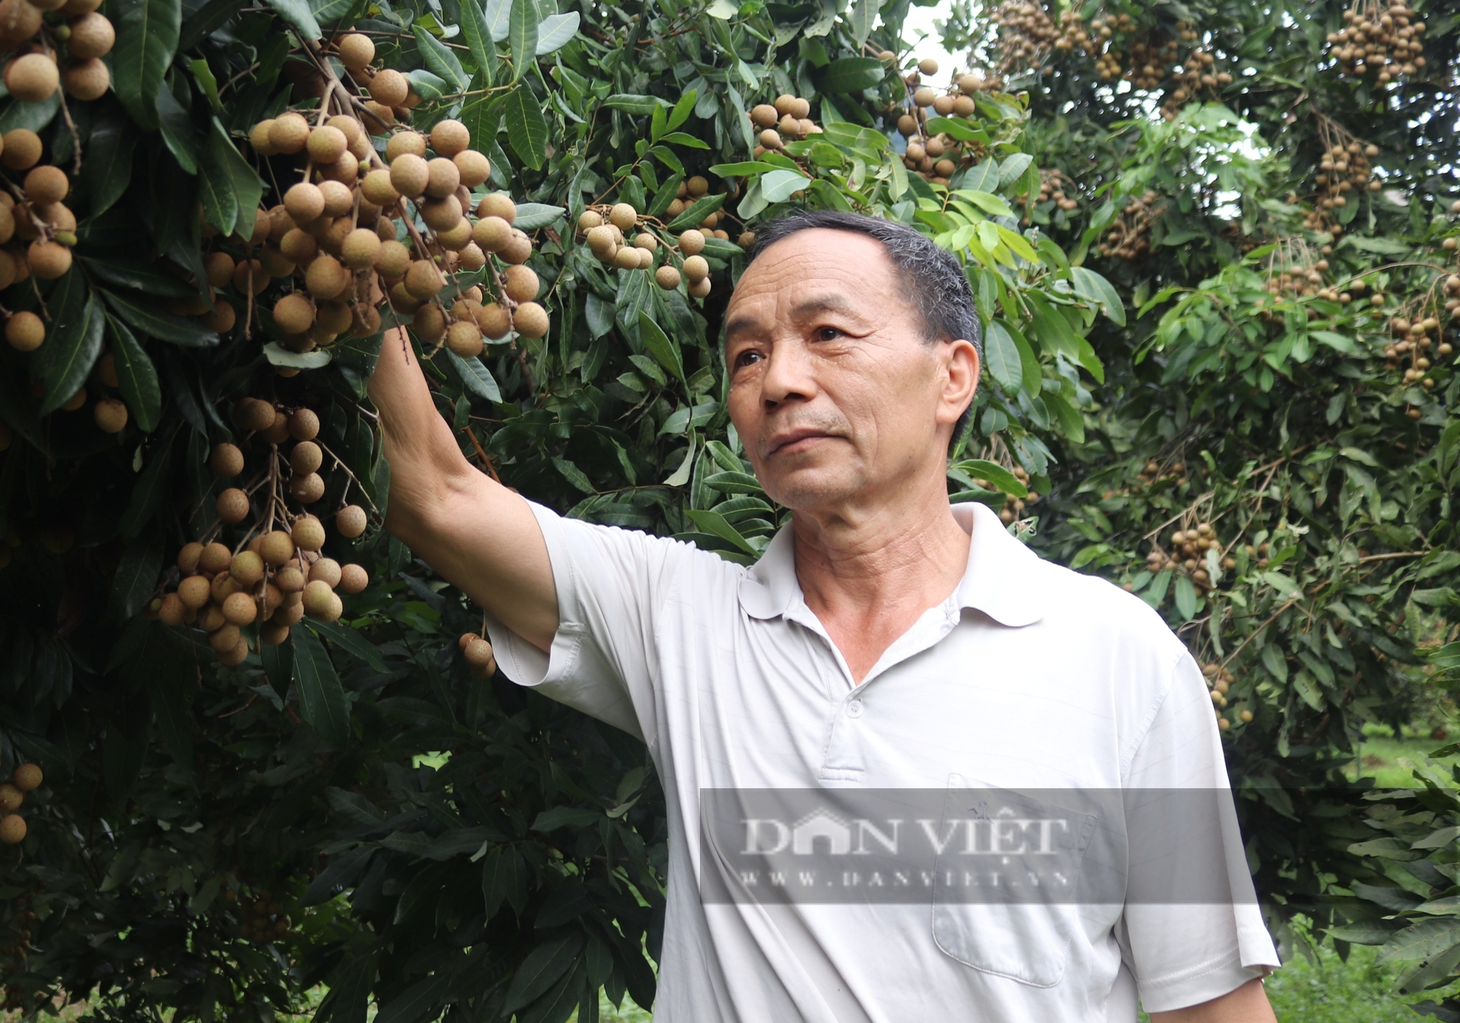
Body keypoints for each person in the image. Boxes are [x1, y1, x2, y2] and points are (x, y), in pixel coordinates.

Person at [368, 209, 1279, 1022]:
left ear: (953, 376)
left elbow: (1209, 1003)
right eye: (747, 356)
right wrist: (357, 212)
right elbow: (434, 495)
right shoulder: (681, 621)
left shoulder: (1116, 657)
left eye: (829, 334)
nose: (779, 382)